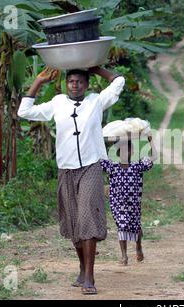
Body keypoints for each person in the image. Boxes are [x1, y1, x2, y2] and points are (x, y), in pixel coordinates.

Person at [17, 66, 125, 294]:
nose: (74, 85)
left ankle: (90, 278)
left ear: (86, 85)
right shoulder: (57, 103)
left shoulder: (96, 101)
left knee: (87, 218)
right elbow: (24, 112)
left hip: (91, 165)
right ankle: (82, 267)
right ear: (66, 84)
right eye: (71, 81)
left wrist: (97, 68)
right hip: (66, 169)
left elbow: (118, 83)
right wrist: (38, 81)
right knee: (74, 222)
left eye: (79, 82)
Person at [101, 134, 157, 266]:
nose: (126, 152)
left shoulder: (137, 166)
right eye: (122, 150)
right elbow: (97, 160)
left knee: (136, 226)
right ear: (118, 152)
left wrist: (151, 141)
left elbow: (154, 157)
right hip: (117, 204)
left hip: (134, 204)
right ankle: (124, 255)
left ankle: (138, 247)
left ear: (132, 151)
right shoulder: (112, 167)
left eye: (128, 149)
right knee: (122, 226)